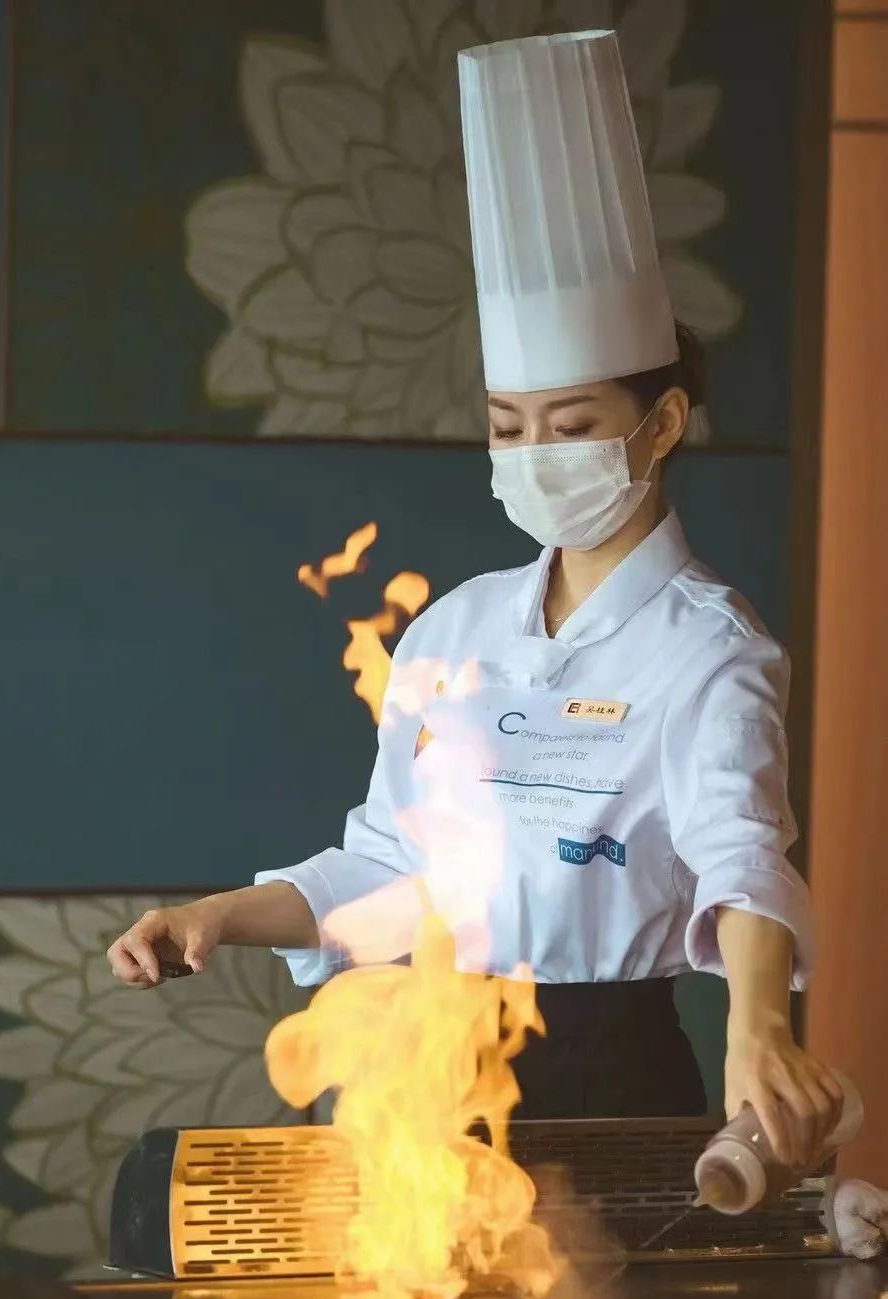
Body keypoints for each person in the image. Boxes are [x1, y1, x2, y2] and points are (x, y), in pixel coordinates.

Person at [108, 30, 842, 1170]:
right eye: (510, 427)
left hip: (612, 1069)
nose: (538, 454)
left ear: (660, 425)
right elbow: (391, 873)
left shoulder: (710, 649)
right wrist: (217, 915)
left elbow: (742, 852)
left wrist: (758, 1020)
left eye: (573, 425)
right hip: (435, 1055)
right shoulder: (455, 627)